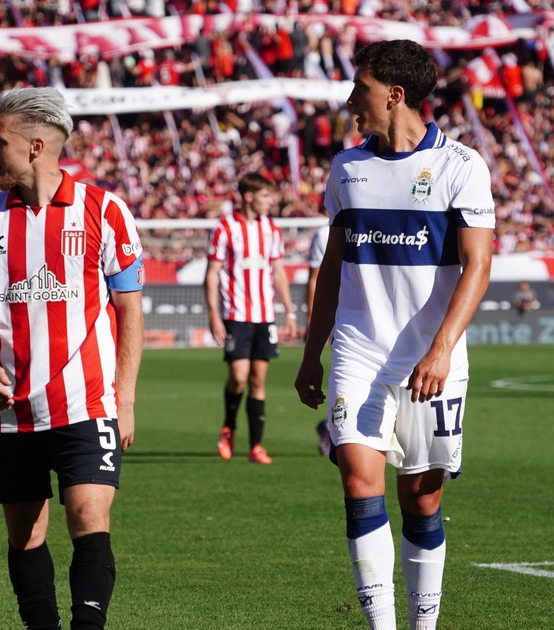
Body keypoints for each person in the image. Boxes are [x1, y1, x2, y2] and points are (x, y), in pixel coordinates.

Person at [294, 40, 495, 630]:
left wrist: (441, 349)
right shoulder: (346, 168)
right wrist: (312, 352)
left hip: (431, 362)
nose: (349, 100)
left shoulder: (461, 166)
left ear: (394, 94)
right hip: (358, 352)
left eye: (360, 88)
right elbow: (333, 267)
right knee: (360, 482)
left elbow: (478, 266)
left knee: (422, 499)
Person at [0, 87, 144, 630]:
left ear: (35, 146)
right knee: (26, 536)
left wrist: (124, 399)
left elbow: (129, 310)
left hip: (86, 404)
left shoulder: (104, 210)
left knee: (89, 520)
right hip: (11, 410)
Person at [205, 172, 298, 464]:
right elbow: (212, 274)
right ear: (248, 197)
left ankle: (256, 446)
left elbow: (278, 272)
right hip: (236, 314)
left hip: (265, 315)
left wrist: (289, 311)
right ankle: (228, 427)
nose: (270, 202)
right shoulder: (224, 228)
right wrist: (214, 315)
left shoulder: (271, 229)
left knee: (258, 380)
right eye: (265, 196)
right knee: (239, 378)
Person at [307, 221, 333, 457]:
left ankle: (328, 425)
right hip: (342, 317)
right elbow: (315, 278)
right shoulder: (324, 234)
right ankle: (331, 427)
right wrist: (314, 320)